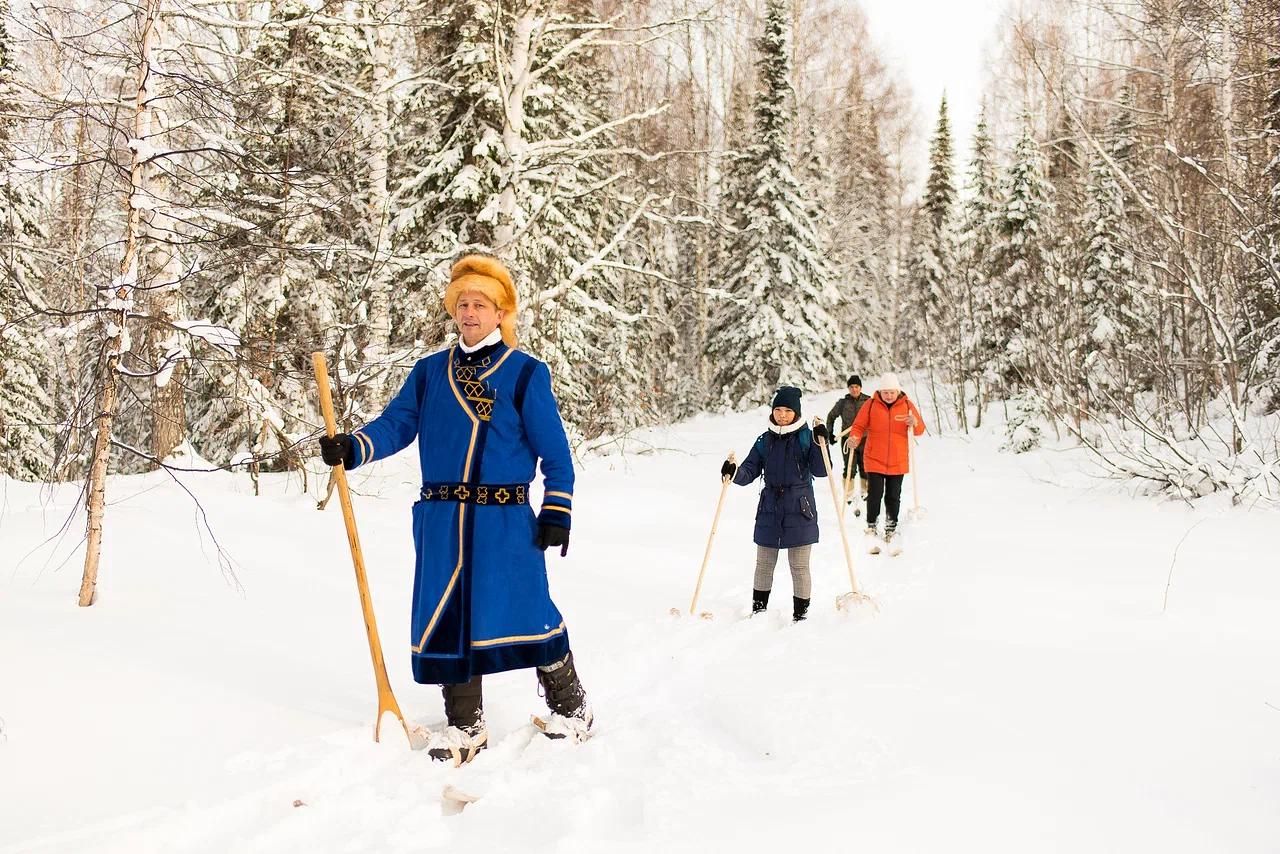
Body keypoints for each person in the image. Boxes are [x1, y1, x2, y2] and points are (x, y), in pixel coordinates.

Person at [318, 254, 590, 765]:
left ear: (500, 312)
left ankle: (572, 708)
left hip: (504, 521)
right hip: (442, 519)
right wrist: (353, 447)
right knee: (446, 617)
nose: (469, 312)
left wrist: (558, 508)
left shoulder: (526, 374)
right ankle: (466, 725)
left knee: (527, 611)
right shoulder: (428, 374)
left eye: (480, 304)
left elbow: (555, 454)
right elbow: (396, 425)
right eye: (462, 303)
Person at [720, 386, 829, 622]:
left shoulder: (805, 437)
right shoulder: (765, 440)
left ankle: (801, 615)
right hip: (770, 507)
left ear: (796, 413)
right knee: (764, 563)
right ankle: (759, 611)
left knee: (799, 566)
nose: (781, 415)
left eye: (787, 410)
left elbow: (821, 471)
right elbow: (749, 471)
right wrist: (734, 472)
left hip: (800, 509)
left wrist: (821, 443)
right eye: (778, 409)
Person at [844, 372, 925, 542]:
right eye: (885, 392)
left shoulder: (907, 406)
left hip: (898, 460)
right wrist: (854, 438)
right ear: (880, 391)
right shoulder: (871, 405)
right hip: (875, 458)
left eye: (892, 392)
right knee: (875, 494)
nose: (888, 396)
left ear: (897, 391)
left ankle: (891, 525)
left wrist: (914, 422)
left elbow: (919, 430)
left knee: (893, 495)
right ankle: (872, 525)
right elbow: (858, 426)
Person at [824, 375, 870, 502]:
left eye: (856, 387)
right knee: (850, 467)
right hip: (847, 439)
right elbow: (831, 416)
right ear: (848, 388)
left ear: (860, 387)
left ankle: (865, 492)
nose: (854, 390)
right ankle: (848, 494)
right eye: (851, 387)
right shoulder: (843, 403)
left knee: (865, 466)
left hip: (865, 439)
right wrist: (830, 433)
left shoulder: (868, 402)